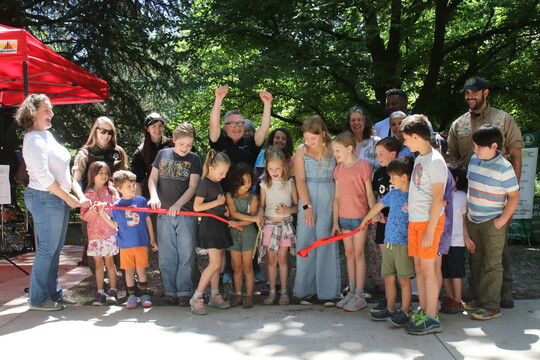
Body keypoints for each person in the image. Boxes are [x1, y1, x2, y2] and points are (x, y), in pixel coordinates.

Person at [446, 76, 523, 309]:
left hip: (498, 195)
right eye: (466, 92)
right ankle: (477, 292)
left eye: (474, 92)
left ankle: (504, 291)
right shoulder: (458, 124)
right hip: (471, 196)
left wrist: (511, 192)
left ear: (485, 93)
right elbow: (451, 157)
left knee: (498, 250)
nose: (470, 96)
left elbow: (516, 156)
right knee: (475, 250)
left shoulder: (503, 119)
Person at [16, 94, 81, 311]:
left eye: (51, 109)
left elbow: (61, 170)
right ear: (32, 112)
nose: (51, 114)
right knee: (47, 250)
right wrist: (67, 197)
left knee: (54, 249)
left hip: (57, 198)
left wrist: (74, 195)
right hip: (45, 197)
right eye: (46, 110)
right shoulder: (33, 139)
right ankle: (38, 300)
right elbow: (43, 177)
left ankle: (53, 293)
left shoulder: (47, 135)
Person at [464, 125, 519, 320]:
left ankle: (491, 306)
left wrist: (500, 221)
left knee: (492, 264)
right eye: (474, 146)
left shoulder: (505, 167)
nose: (475, 150)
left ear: (494, 146)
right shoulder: (474, 160)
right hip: (473, 220)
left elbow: (513, 196)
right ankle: (479, 299)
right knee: (476, 260)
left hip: (492, 222)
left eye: (479, 147)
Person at [400, 114, 447, 335]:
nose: (405, 143)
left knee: (428, 270)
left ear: (416, 136)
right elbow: (420, 190)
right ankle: (424, 310)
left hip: (430, 224)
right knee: (419, 268)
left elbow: (438, 198)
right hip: (415, 221)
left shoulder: (436, 162)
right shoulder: (419, 159)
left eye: (406, 139)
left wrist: (430, 230)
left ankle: (432, 316)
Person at [147, 123, 202, 307]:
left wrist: (179, 204)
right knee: (167, 255)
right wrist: (154, 195)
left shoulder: (194, 159)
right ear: (174, 140)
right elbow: (153, 179)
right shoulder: (163, 155)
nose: (186, 148)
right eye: (182, 144)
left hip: (186, 214)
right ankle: (170, 291)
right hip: (164, 215)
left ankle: (184, 292)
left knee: (186, 254)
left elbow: (193, 186)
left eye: (189, 145)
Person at [360, 156, 415, 326]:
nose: (390, 180)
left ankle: (405, 310)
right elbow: (378, 207)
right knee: (389, 278)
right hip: (389, 242)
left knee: (404, 279)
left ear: (405, 176)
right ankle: (390, 307)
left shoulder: (414, 196)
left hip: (403, 244)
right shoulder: (393, 193)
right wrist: (365, 221)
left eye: (393, 177)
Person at [293, 115, 340, 306]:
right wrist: (306, 206)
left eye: (313, 138)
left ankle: (328, 293)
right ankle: (306, 291)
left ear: (323, 134)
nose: (309, 142)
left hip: (330, 198)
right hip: (308, 199)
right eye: (306, 138)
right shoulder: (301, 150)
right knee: (306, 243)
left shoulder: (333, 148)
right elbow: (300, 180)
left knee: (326, 242)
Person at [98, 170, 158, 309]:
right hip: (125, 245)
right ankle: (131, 296)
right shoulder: (116, 206)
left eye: (133, 185)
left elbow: (148, 220)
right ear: (119, 189)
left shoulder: (141, 201)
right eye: (128, 186)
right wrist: (102, 213)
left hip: (141, 243)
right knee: (129, 271)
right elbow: (114, 225)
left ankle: (144, 294)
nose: (133, 189)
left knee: (141, 270)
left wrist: (152, 238)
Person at [72, 116, 127, 266]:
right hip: (92, 206)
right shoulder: (84, 153)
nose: (106, 135)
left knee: (120, 239)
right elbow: (75, 180)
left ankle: (122, 279)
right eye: (102, 131)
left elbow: (125, 179)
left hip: (115, 206)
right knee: (94, 245)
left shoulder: (118, 153)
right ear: (95, 131)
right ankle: (99, 285)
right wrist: (82, 197)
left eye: (110, 132)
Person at [332, 132, 376, 312]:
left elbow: (370, 193)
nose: (335, 154)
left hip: (360, 218)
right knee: (349, 254)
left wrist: (372, 214)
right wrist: (335, 222)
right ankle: (351, 291)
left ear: (349, 148)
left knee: (358, 254)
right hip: (343, 219)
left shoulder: (363, 166)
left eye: (337, 150)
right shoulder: (338, 169)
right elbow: (336, 198)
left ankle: (359, 293)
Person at [190, 150, 233, 315]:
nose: (224, 175)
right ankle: (197, 297)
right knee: (214, 263)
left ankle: (215, 295)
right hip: (210, 227)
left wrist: (224, 209)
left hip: (220, 224)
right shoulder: (205, 183)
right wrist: (217, 202)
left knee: (220, 264)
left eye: (226, 172)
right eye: (221, 172)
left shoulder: (216, 182)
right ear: (211, 168)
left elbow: (217, 203)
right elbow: (197, 207)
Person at [258, 147, 298, 305]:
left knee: (282, 259)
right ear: (266, 168)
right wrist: (260, 215)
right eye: (271, 168)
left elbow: (297, 206)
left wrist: (288, 210)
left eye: (278, 168)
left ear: (285, 167)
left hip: (285, 225)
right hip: (269, 225)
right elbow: (261, 205)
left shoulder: (289, 183)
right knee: (271, 259)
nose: (274, 172)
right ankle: (272, 291)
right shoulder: (264, 184)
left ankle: (284, 292)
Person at [369, 136, 403, 313]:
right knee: (387, 263)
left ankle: (402, 302)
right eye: (376, 154)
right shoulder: (378, 173)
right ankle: (389, 299)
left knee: (400, 264)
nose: (378, 157)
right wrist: (376, 214)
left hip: (399, 225)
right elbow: (377, 197)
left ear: (393, 154)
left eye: (381, 153)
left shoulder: (404, 173)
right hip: (383, 224)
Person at [80, 162, 120, 306]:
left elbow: (116, 211)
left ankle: (113, 291)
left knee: (110, 262)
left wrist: (104, 210)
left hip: (109, 233)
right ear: (93, 174)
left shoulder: (112, 191)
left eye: (106, 172)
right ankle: (100, 292)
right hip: (94, 234)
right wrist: (95, 209)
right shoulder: (87, 194)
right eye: (100, 172)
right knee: (98, 264)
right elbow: (84, 216)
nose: (104, 176)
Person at [209, 86, 273, 169]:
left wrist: (267, 104)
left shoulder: (251, 143)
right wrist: (218, 99)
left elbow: (264, 129)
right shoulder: (219, 141)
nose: (237, 127)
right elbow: (214, 125)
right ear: (225, 127)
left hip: (246, 182)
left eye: (240, 123)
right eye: (233, 123)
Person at [224, 164, 261, 308]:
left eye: (249, 181)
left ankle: (249, 297)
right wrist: (255, 219)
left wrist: (242, 221)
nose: (247, 184)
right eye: (243, 181)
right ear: (235, 181)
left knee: (248, 267)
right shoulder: (229, 195)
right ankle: (238, 295)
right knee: (237, 267)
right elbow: (234, 213)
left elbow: (250, 217)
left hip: (248, 234)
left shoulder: (253, 198)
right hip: (233, 234)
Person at [440, 165, 469, 314]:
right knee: (444, 271)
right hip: (442, 241)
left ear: (455, 179)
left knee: (456, 272)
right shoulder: (440, 196)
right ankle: (449, 298)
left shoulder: (463, 197)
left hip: (457, 241)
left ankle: (458, 300)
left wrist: (467, 238)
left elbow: (464, 220)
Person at [131, 112, 174, 198]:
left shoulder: (172, 145)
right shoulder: (140, 152)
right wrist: (140, 202)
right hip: (150, 193)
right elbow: (137, 181)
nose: (158, 129)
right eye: (154, 126)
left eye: (160, 126)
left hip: (172, 190)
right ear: (147, 129)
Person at [344, 106, 380, 171]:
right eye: (353, 120)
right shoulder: (344, 144)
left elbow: (380, 167)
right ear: (348, 123)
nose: (356, 123)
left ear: (365, 122)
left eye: (359, 119)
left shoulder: (375, 142)